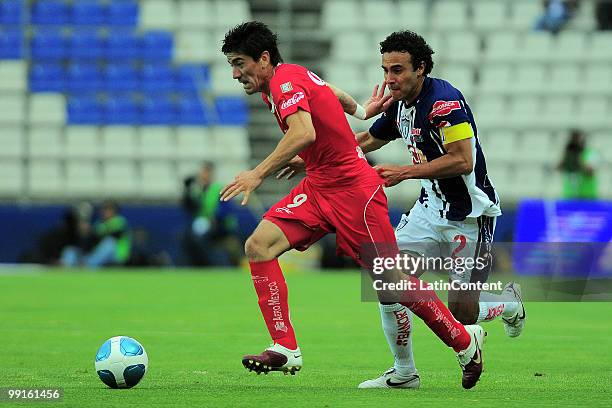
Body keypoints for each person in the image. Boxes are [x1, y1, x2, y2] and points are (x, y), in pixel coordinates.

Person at [220, 21, 486, 389]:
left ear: (263, 59)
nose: (235, 74)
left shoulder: (282, 84)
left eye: (240, 63)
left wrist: (258, 173)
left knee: (392, 283)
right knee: (258, 246)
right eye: (232, 65)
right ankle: (285, 346)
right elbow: (327, 92)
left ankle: (464, 341)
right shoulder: (287, 77)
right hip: (319, 187)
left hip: (354, 191)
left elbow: (304, 132)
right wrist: (361, 111)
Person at [326, 30, 526, 389]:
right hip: (427, 211)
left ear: (421, 68)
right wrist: (313, 158)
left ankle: (508, 302)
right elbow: (369, 139)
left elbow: (463, 160)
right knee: (386, 278)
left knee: (461, 313)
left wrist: (404, 172)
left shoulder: (444, 102)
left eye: (398, 70)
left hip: (468, 217)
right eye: (386, 70)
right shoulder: (401, 102)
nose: (390, 79)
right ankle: (404, 373)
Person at [181, 161, 240, 266]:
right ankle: (193, 264)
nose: (203, 176)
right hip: (203, 223)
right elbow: (190, 208)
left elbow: (226, 209)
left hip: (220, 226)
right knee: (186, 236)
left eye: (206, 172)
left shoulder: (219, 189)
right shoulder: (197, 190)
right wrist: (187, 191)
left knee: (200, 238)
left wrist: (214, 220)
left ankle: (206, 265)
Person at [62, 200, 131, 268]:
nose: (105, 212)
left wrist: (92, 233)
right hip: (96, 255)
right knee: (70, 250)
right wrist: (85, 233)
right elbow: (92, 240)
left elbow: (115, 234)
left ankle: (87, 265)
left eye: (109, 210)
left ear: (115, 212)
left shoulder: (120, 221)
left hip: (117, 256)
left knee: (109, 242)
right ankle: (65, 268)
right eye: (104, 209)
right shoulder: (99, 224)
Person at [558, 129, 599, 199]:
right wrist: (565, 158)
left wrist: (578, 158)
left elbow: (591, 173)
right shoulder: (568, 152)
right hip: (569, 195)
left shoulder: (591, 153)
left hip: (587, 195)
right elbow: (559, 168)